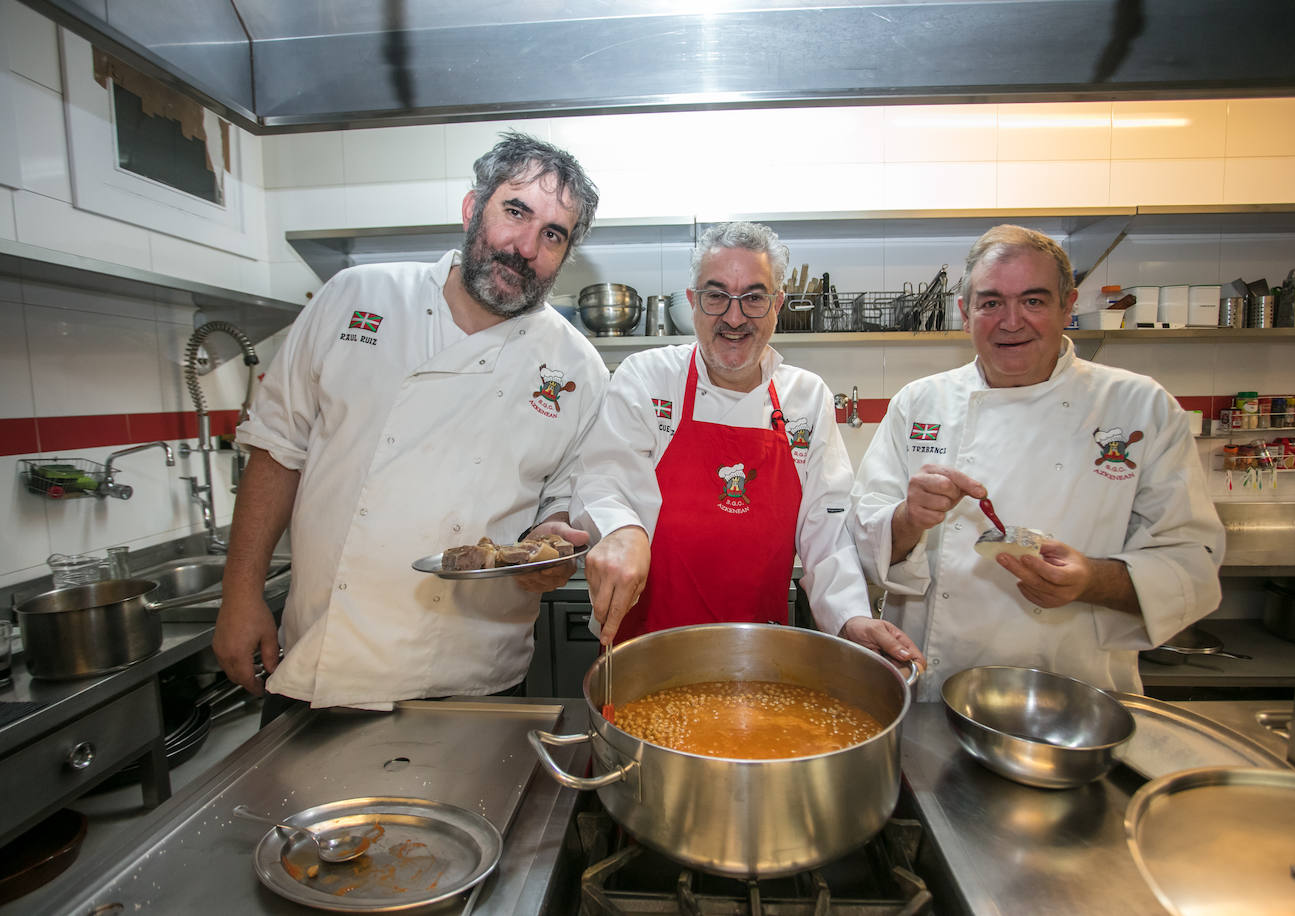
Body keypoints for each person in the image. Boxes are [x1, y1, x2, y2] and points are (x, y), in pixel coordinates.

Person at [213, 132, 607, 719]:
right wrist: (241, 592)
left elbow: (562, 505)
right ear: (472, 209)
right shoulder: (356, 297)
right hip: (325, 654)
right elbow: (276, 450)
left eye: (553, 234)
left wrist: (550, 546)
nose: (525, 246)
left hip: (473, 674)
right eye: (515, 211)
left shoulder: (578, 367)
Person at [849, 224, 1224, 702]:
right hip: (934, 691)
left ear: (1068, 306)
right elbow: (862, 541)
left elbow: (1191, 563)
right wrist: (908, 518)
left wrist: (1091, 581)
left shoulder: (1140, 406)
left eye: (1033, 300)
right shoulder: (919, 402)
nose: (1011, 322)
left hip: (1075, 696)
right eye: (990, 303)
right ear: (964, 313)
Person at [570, 221, 919, 666]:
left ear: (778, 305)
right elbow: (603, 480)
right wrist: (621, 529)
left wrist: (851, 617)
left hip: (758, 653)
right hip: (646, 648)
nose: (734, 318)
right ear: (692, 301)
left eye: (753, 298)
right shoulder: (647, 377)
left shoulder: (806, 397)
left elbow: (827, 532)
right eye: (716, 296)